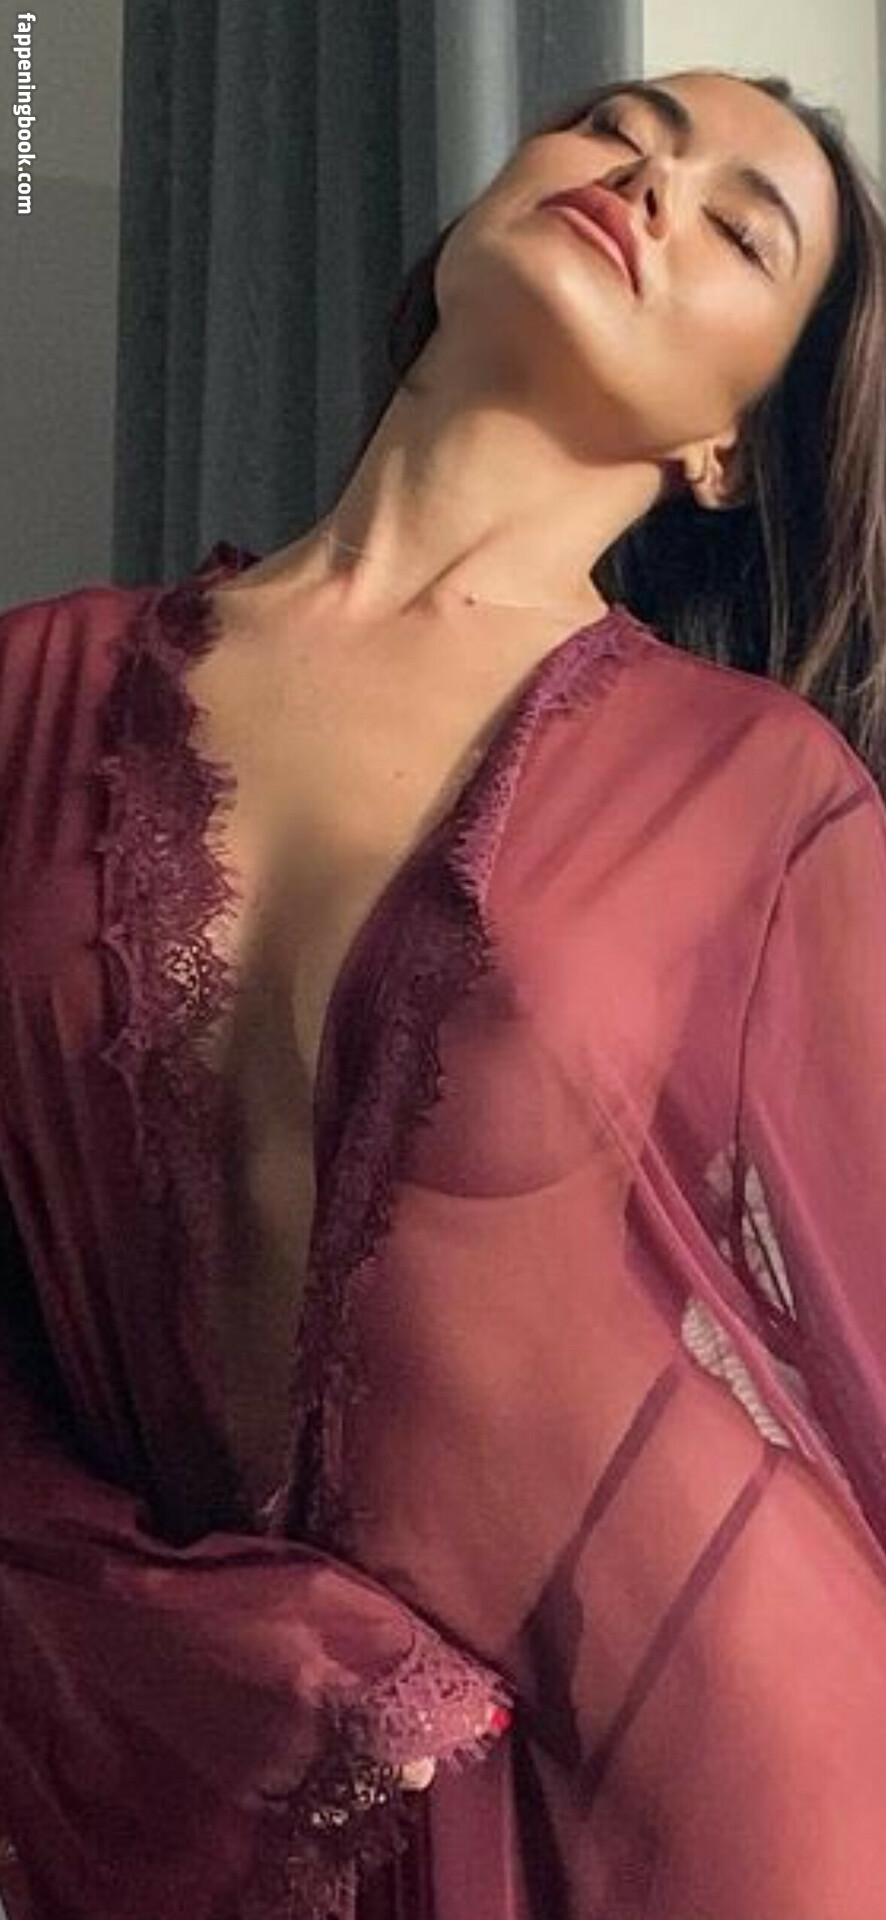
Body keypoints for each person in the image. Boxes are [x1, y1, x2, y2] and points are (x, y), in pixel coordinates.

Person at [2, 60, 886, 1920]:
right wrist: (127, 1612)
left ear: (727, 451)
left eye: (738, 227)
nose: (645, 184)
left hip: (709, 1771)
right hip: (245, 1783)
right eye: (615, 131)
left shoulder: (754, 786)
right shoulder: (35, 695)